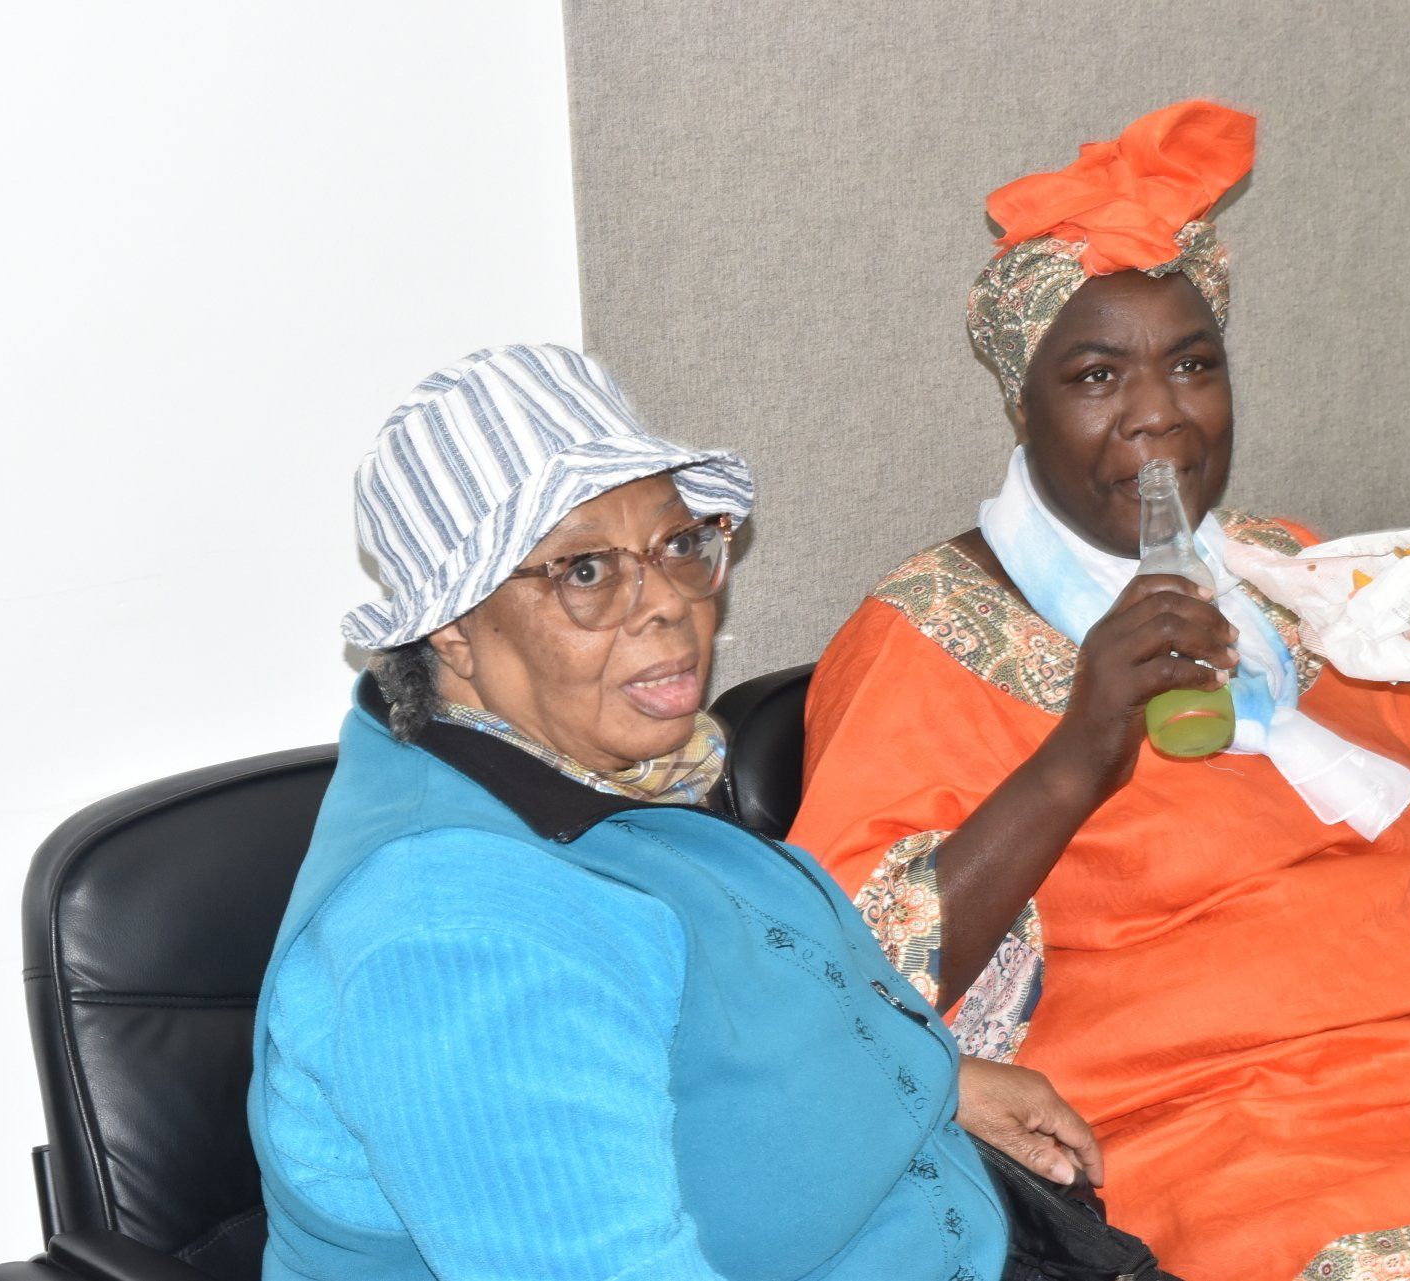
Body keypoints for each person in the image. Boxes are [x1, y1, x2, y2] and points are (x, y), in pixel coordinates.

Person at [788, 102, 1410, 1280]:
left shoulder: (1300, 582)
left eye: (1193, 364)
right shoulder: (924, 637)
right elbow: (850, 1004)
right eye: (1097, 375)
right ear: (1023, 406)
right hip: (1224, 1157)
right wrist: (1083, 748)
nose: (1159, 413)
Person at [246, 344, 1138, 1281]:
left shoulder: (592, 772)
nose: (669, 603)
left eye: (677, 544)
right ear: (454, 630)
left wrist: (922, 1082)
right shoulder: (458, 942)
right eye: (584, 571)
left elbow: (709, 1046)